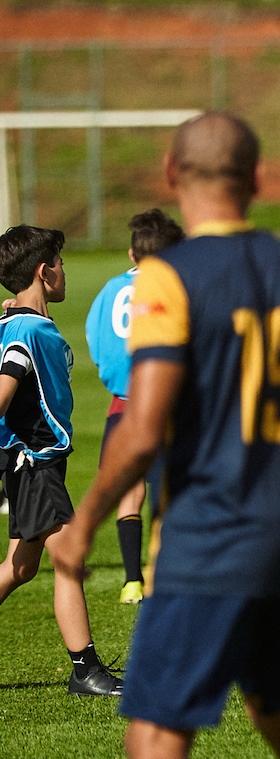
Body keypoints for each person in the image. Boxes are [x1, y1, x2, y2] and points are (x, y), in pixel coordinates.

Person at [62, 111, 280, 759]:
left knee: (156, 742)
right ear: (258, 178)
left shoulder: (169, 276)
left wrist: (85, 522)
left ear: (171, 172)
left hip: (211, 533)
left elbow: (141, 429)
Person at [0, 225, 123, 697]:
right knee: (68, 559)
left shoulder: (19, 322)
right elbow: (8, 382)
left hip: (34, 462)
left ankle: (84, 670)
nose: (64, 271)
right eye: (61, 262)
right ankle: (85, 670)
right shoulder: (26, 330)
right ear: (43, 270)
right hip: (34, 463)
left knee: (21, 567)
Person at [85, 208, 185, 605]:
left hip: (122, 404)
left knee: (130, 492)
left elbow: (95, 342)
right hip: (163, 406)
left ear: (132, 254)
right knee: (167, 492)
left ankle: (131, 581)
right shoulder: (174, 285)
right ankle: (162, 576)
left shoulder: (110, 289)